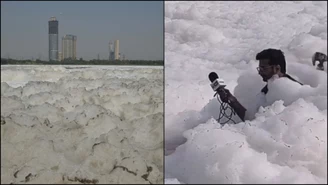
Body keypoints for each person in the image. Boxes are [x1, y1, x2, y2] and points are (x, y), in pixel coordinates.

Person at [218, 48, 303, 122]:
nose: (260, 72)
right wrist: (232, 100)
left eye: (264, 68)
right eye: (259, 68)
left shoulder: (291, 90)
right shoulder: (268, 90)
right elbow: (251, 118)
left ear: (277, 68)